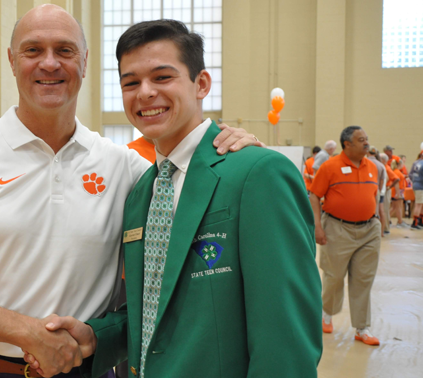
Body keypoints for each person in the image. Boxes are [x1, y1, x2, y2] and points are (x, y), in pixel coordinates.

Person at [0, 5, 260, 378]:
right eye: (33, 50)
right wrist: (27, 332)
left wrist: (232, 145)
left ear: (85, 62)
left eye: (65, 51)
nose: (49, 63)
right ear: (11, 60)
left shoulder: (127, 169)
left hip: (86, 368)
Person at [28, 19, 323, 378]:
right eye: (131, 82)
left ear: (201, 84)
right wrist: (96, 337)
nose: (146, 93)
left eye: (162, 77)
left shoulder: (256, 174)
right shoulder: (141, 191)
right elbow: (155, 306)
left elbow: (286, 334)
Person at [310, 126, 381, 346]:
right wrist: (317, 227)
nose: (366, 143)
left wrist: (376, 218)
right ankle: (326, 314)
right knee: (334, 275)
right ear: (347, 144)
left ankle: (362, 328)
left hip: (369, 230)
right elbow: (314, 196)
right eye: (361, 140)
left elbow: (374, 194)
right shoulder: (330, 167)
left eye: (367, 139)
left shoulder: (373, 167)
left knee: (364, 279)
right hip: (337, 228)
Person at [367, 147, 387, 236]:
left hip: (366, 190)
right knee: (379, 211)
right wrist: (379, 189)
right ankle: (381, 232)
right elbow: (383, 180)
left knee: (368, 212)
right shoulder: (381, 165)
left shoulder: (364, 162)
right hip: (377, 190)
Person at [390, 160, 407, 228]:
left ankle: (388, 219)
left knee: (394, 207)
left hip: (399, 190)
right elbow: (396, 182)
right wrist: (398, 193)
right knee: (398, 207)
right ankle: (400, 222)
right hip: (398, 191)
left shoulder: (397, 171)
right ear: (399, 164)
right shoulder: (396, 172)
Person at [412, 152, 423, 230]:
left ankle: (420, 221)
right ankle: (415, 223)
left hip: (416, 184)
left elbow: (410, 174)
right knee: (418, 204)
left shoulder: (415, 163)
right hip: (420, 185)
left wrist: (415, 181)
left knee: (420, 204)